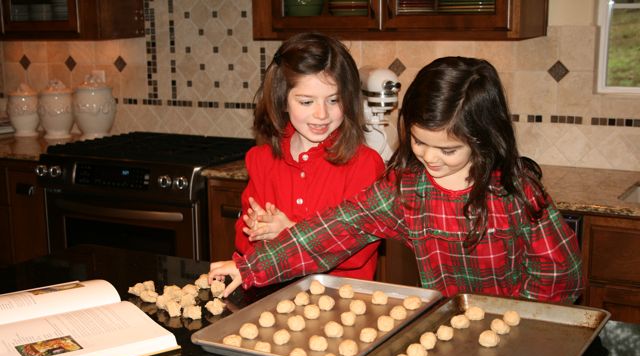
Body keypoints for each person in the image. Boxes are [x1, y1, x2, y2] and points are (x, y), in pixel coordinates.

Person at [211, 56, 583, 303]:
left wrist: (519, 318)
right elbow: (332, 231)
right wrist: (249, 268)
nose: (430, 158)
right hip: (444, 324)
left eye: (448, 150)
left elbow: (561, 273)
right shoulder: (406, 190)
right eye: (419, 142)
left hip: (514, 326)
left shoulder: (516, 192)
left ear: (483, 138)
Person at [234, 32, 384, 281]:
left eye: (334, 100)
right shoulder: (261, 159)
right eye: (306, 102)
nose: (321, 114)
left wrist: (289, 232)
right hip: (275, 293)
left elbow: (357, 250)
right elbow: (244, 239)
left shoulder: (365, 164)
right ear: (282, 100)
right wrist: (258, 230)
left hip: (342, 297)